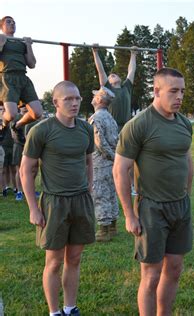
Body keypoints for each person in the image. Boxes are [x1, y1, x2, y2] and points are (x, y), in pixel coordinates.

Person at [113, 67, 193, 315]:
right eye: (173, 91)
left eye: (182, 91)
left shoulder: (184, 123)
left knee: (175, 268)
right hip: (152, 208)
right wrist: (129, 214)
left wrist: (187, 196)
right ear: (157, 91)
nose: (179, 96)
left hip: (180, 206)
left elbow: (187, 161)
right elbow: (120, 170)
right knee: (151, 274)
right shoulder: (138, 125)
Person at [20, 81, 95, 316]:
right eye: (68, 99)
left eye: (78, 98)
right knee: (53, 262)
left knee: (74, 258)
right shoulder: (41, 131)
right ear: (55, 102)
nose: (74, 103)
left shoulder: (85, 129)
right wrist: (33, 207)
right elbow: (26, 170)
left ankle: (70, 307)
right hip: (54, 202)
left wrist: (89, 189)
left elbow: (88, 161)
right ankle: (54, 312)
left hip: (81, 201)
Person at [0, 16, 43, 142]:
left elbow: (32, 64)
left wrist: (28, 45)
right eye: (9, 22)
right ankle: (3, 125)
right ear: (2, 26)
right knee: (11, 113)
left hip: (23, 78)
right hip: (7, 77)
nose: (12, 24)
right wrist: (1, 44)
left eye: (14, 22)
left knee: (37, 113)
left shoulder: (21, 43)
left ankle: (17, 126)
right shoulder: (1, 39)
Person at [88, 86, 119, 242]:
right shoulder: (110, 117)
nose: (92, 98)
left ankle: (103, 230)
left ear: (99, 100)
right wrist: (116, 158)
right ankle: (113, 226)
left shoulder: (96, 118)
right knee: (111, 193)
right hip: (112, 162)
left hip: (101, 162)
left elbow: (99, 142)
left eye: (95, 96)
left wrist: (111, 156)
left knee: (100, 194)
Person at [92, 45, 137, 131]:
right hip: (112, 127)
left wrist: (133, 54)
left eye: (115, 75)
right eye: (110, 77)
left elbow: (132, 70)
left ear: (120, 79)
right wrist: (95, 52)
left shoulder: (126, 87)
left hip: (127, 127)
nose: (112, 75)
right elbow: (101, 71)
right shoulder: (108, 89)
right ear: (108, 82)